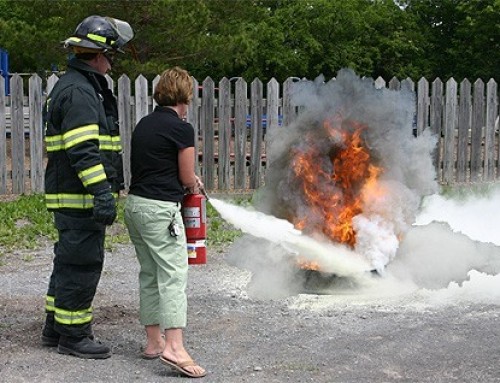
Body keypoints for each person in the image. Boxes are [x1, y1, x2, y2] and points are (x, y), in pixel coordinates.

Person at [41, 15, 134, 359]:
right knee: (81, 264)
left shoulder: (75, 85)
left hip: (72, 195)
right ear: (99, 55)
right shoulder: (80, 91)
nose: (112, 64)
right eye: (112, 56)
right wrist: (101, 193)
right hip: (80, 197)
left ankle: (55, 327)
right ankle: (74, 335)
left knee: (68, 261)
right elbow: (83, 150)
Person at [124, 67, 207, 378]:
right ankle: (174, 347)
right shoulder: (181, 128)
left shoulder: (144, 124)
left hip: (135, 208)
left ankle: (153, 342)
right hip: (161, 211)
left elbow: (155, 164)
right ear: (184, 97)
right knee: (173, 275)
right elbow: (186, 177)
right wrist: (193, 185)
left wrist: (184, 179)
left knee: (150, 273)